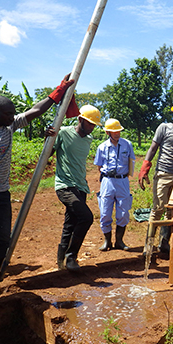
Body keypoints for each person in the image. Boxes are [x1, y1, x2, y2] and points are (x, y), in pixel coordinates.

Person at [0, 74, 75, 289]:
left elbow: (35, 111)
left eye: (13, 114)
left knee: (2, 239)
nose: (12, 117)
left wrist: (58, 91)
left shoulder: (9, 125)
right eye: (8, 114)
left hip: (1, 193)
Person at [138, 100, 173, 255]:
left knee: (171, 212)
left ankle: (164, 243)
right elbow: (153, 148)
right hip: (163, 173)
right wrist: (145, 167)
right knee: (158, 209)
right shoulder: (164, 128)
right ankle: (148, 245)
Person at [54, 104, 100, 272]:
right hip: (65, 185)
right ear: (80, 119)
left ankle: (61, 263)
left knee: (70, 223)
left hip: (81, 186)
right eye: (90, 124)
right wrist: (48, 138)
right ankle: (71, 256)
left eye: (94, 125)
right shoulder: (64, 133)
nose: (92, 128)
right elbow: (49, 151)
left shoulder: (88, 139)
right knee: (86, 217)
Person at [94, 118, 135, 251]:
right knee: (105, 212)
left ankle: (119, 241)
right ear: (107, 132)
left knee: (123, 212)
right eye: (114, 131)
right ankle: (107, 241)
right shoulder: (101, 147)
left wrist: (123, 176)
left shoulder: (127, 144)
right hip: (107, 181)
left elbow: (131, 162)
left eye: (118, 131)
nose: (117, 133)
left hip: (123, 181)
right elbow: (99, 166)